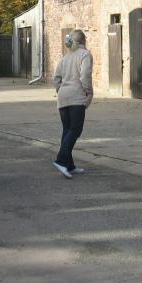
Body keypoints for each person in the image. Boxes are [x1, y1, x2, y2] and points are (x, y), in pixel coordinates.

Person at [52, 29, 93, 179]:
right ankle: (61, 161)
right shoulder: (85, 54)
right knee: (76, 129)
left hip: (63, 97)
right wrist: (88, 92)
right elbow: (85, 76)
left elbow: (56, 78)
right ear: (84, 40)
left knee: (67, 130)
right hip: (76, 96)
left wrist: (60, 90)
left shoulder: (65, 57)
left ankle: (69, 165)